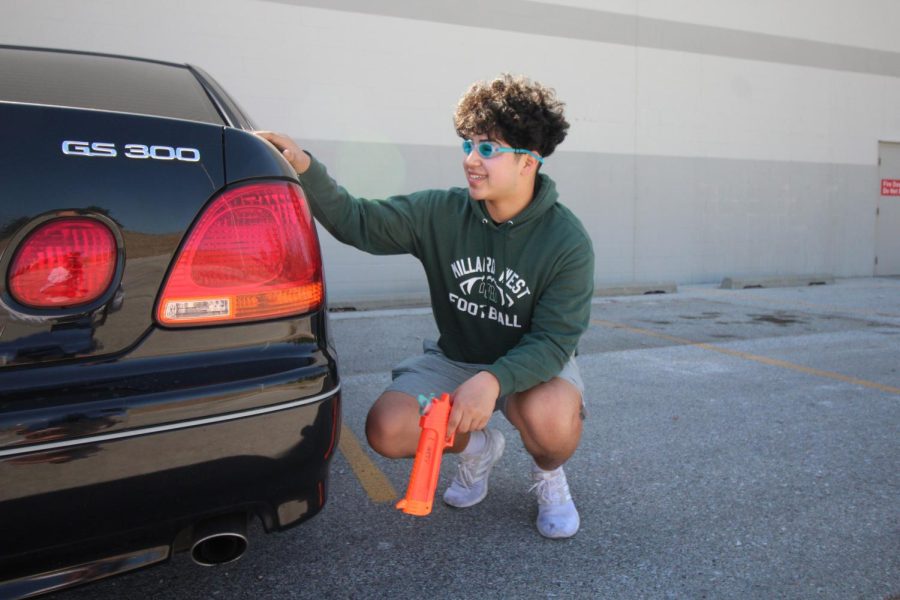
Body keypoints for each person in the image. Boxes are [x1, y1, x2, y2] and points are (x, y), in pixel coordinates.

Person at [256, 73, 594, 538]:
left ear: (527, 162)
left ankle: (549, 474)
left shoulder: (566, 241)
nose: (471, 160)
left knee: (551, 422)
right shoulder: (440, 212)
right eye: (468, 145)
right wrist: (305, 166)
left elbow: (555, 340)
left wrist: (494, 380)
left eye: (488, 149)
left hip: (530, 365)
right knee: (388, 428)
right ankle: (478, 449)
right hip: (457, 356)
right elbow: (359, 222)